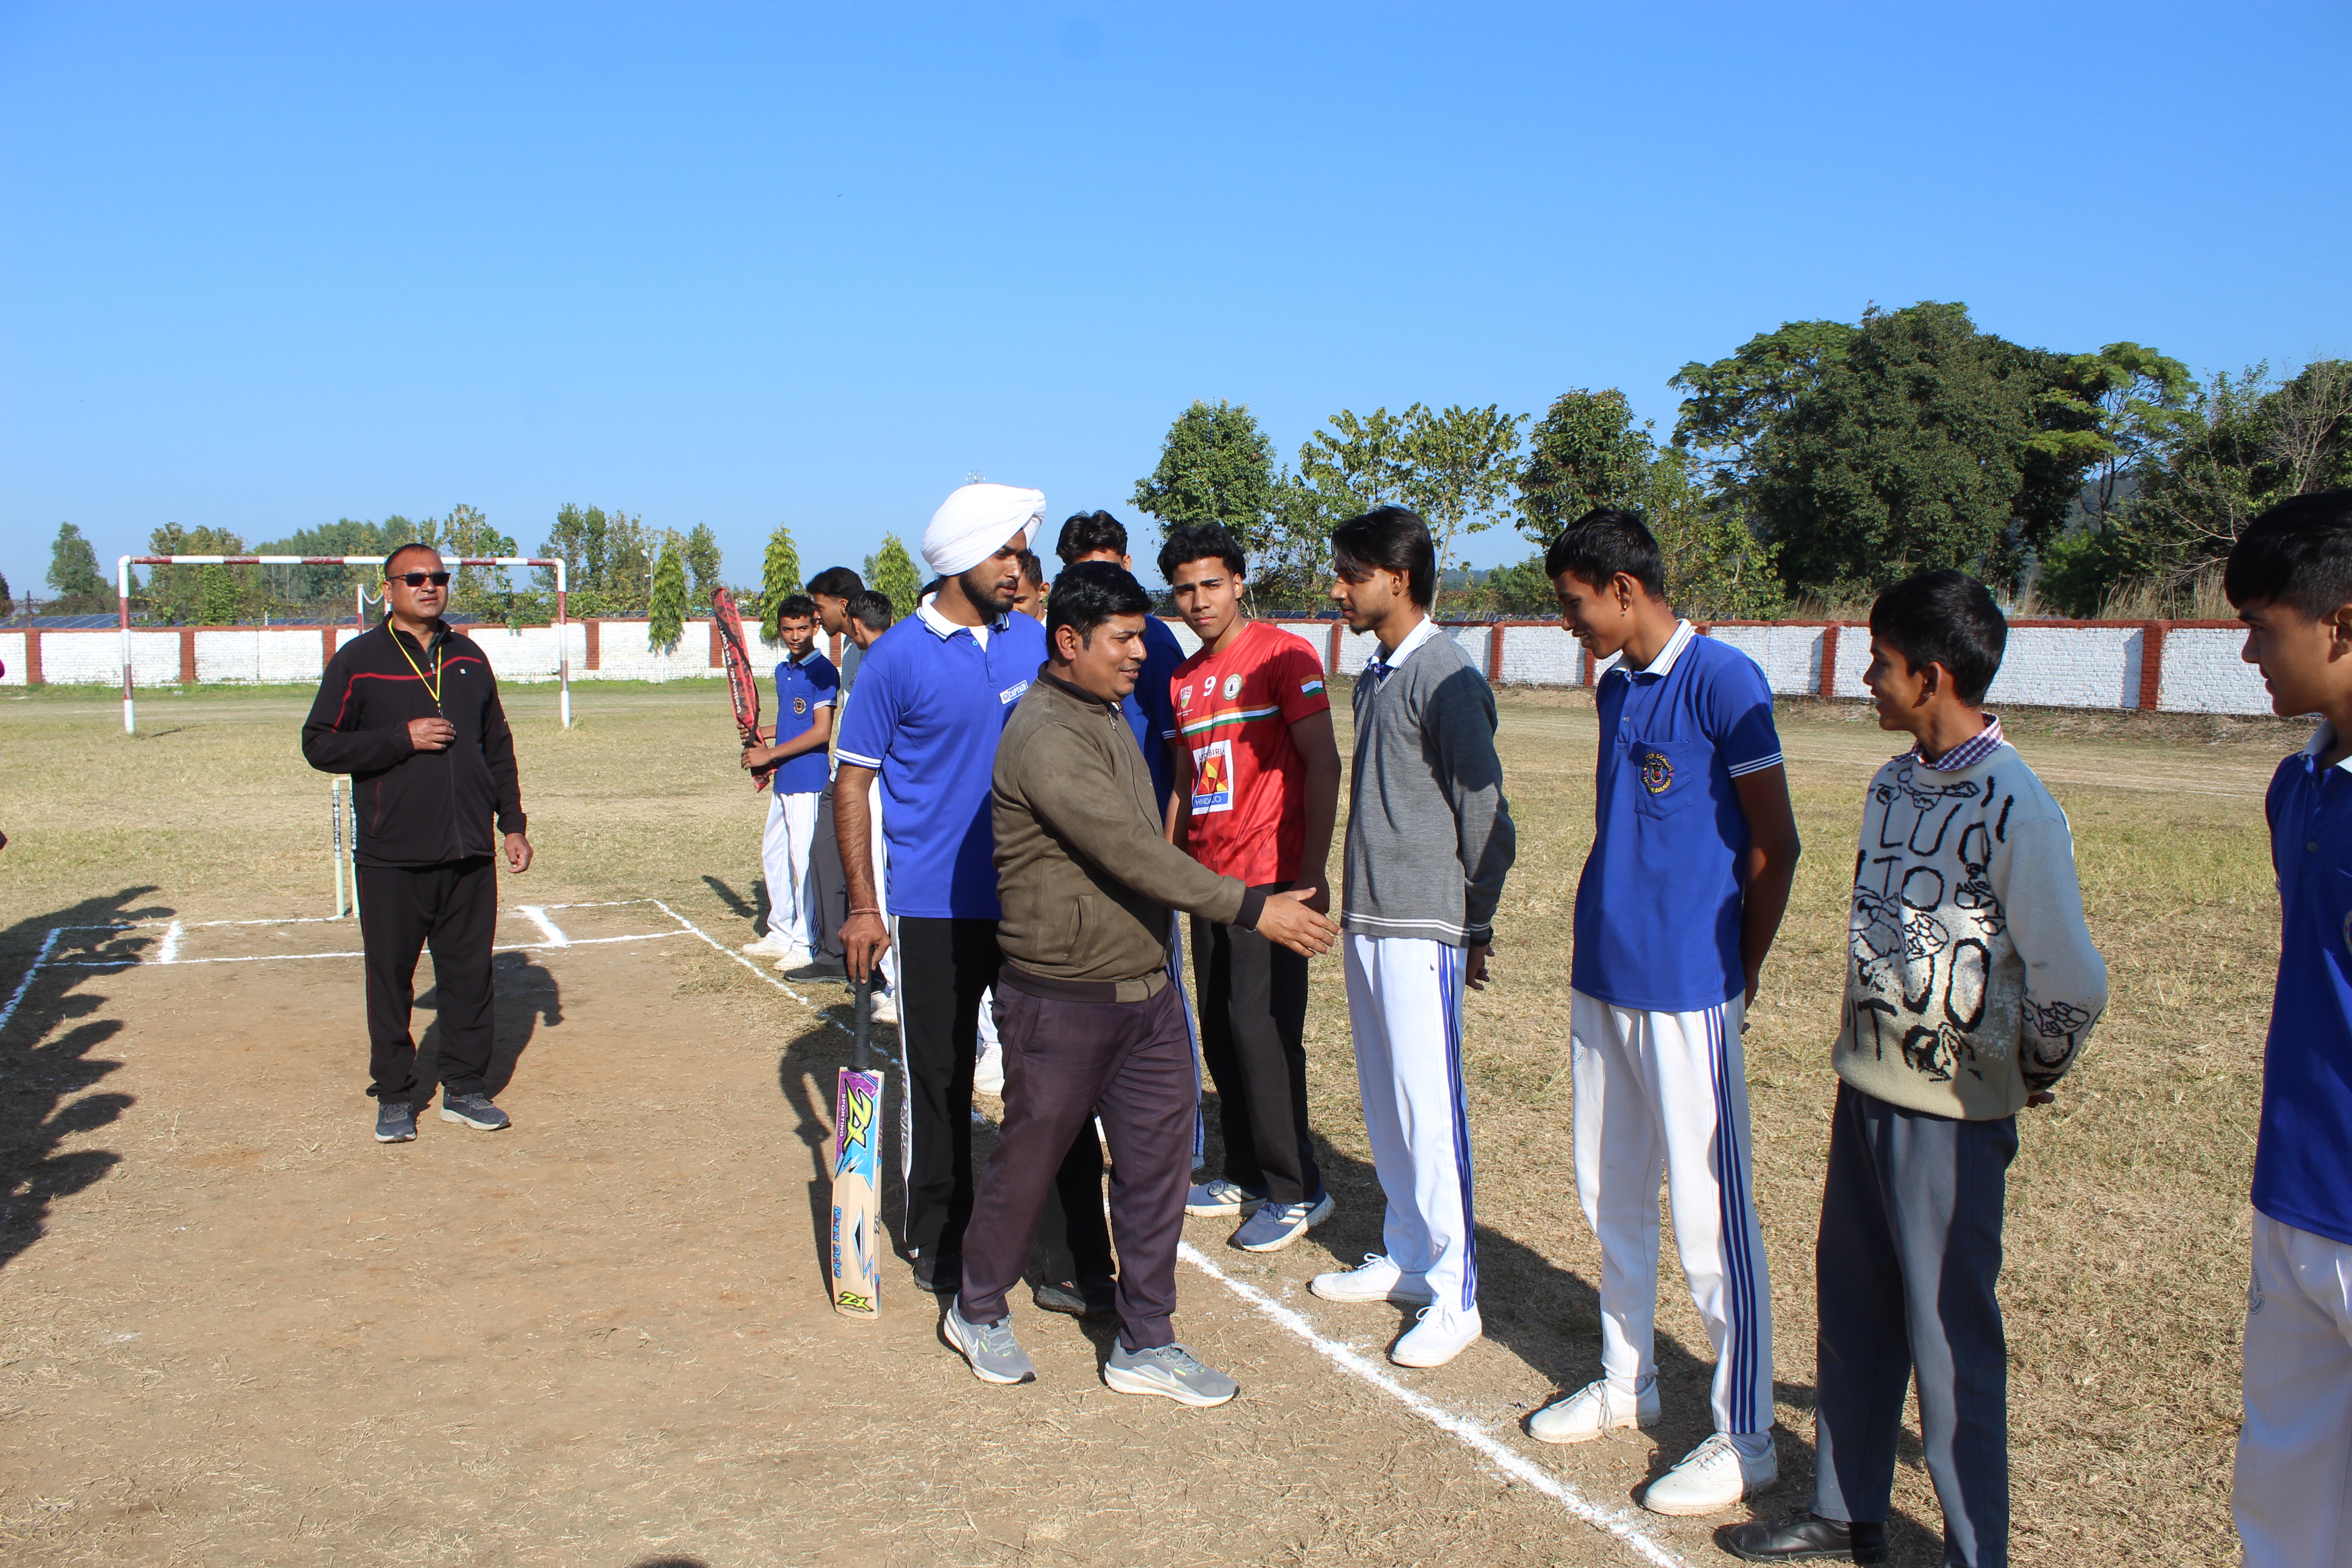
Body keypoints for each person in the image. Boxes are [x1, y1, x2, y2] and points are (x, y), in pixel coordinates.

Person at [1721, 571, 2107, 1567]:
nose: (1866, 680)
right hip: (1868, 1089)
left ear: (1932, 677)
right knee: (1854, 1307)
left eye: (1882, 665)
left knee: (1950, 1340)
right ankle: (1849, 1511)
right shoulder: (1892, 784)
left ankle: (1978, 1549)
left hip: (1951, 1116)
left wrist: (2028, 1069)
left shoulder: (2019, 807)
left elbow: (2072, 976)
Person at [941, 562, 1338, 1402]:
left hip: (1143, 995)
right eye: (1122, 638)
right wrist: (1251, 909)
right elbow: (1131, 853)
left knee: (1156, 1169)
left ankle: (1145, 1339)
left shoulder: (1108, 710)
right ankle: (976, 1307)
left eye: (1138, 634)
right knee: (1029, 1158)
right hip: (1060, 999)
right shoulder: (1046, 733)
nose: (1139, 651)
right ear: (1068, 642)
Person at [1528, 508, 1799, 1517]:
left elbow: (1778, 843)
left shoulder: (1724, 680)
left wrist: (1741, 969)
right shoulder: (1613, 687)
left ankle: (1746, 1435)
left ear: (1623, 588)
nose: (1568, 623)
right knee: (1610, 1192)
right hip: (1605, 973)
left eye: (1572, 604)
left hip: (1690, 989)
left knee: (1709, 1218)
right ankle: (1625, 1376)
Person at [833, 484, 1116, 1316]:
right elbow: (853, 781)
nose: (1019, 569)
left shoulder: (1032, 640)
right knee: (944, 1076)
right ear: (961, 557)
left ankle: (1072, 1258)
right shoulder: (895, 659)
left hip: (1036, 904)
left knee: (1053, 1082)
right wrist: (861, 904)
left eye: (1022, 555)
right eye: (1006, 554)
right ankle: (940, 1236)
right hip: (934, 910)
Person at [1308, 508, 1515, 1370]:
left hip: (1422, 921)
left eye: (1349, 574)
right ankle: (1404, 1251)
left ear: (1395, 578)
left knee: (1430, 1109)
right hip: (1369, 914)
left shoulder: (1447, 675)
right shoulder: (1376, 672)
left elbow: (1488, 818)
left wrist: (1473, 923)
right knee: (1386, 1097)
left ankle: (1456, 1292)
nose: (1335, 590)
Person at [2216, 490, 2352, 1568]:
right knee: (2282, 1487)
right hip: (2295, 1189)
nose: (2247, 648)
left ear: (2339, 623)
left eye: (2264, 624)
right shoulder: (2297, 784)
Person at [300, 544, 534, 1144]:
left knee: (468, 975)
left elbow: (498, 746)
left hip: (468, 852)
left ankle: (464, 1087)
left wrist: (512, 824)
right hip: (391, 854)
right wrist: (398, 738)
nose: (430, 587)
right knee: (391, 978)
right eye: (416, 579)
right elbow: (320, 745)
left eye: (438, 578)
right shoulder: (360, 661)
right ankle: (396, 1095)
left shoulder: (469, 658)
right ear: (389, 589)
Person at [1161, 521, 1343, 1251]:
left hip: (1270, 882)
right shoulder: (1182, 678)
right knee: (1222, 1028)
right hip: (1210, 884)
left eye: (1211, 584)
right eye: (1184, 589)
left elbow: (1323, 764)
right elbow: (1183, 783)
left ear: (1239, 581)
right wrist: (1168, 869)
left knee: (1263, 1032)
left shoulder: (1284, 656)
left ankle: (1299, 1187)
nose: (1199, 601)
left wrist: (1311, 875)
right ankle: (1244, 1168)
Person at [739, 595, 838, 969]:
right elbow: (790, 724)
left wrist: (769, 755)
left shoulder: (824, 672)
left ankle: (807, 941)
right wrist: (761, 734)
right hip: (785, 781)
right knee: (774, 855)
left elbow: (820, 733)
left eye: (802, 628)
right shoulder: (785, 670)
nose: (795, 636)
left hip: (809, 781)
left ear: (815, 627)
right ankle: (780, 932)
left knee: (804, 862)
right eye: (787, 629)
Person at [794, 567, 867, 979]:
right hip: (841, 770)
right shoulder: (852, 652)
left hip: (865, 778)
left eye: (819, 606)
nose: (815, 616)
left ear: (843, 604)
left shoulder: (881, 649)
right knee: (824, 856)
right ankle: (832, 955)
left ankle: (865, 964)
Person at [1010, 549, 1048, 622]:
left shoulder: (1060, 631)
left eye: (1020, 601)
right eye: (1007, 603)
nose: (1012, 610)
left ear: (1042, 591)